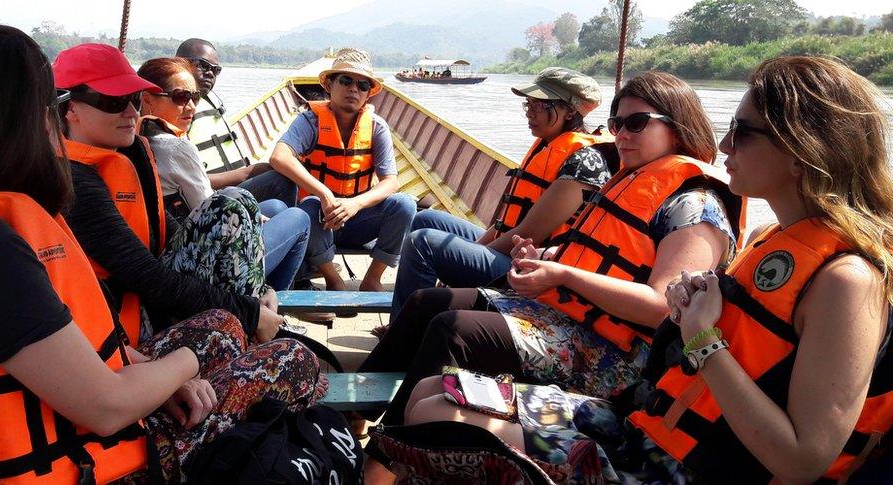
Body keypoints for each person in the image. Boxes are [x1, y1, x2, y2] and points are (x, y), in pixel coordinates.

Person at [398, 56, 893, 484]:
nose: (724, 146)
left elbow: (804, 459)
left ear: (801, 151)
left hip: (681, 467)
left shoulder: (847, 279)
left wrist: (702, 337)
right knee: (432, 393)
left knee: (445, 418)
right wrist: (691, 311)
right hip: (645, 422)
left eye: (742, 132)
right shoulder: (771, 242)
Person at [0, 25, 323, 483]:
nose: (132, 111)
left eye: (135, 101)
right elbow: (107, 407)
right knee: (293, 359)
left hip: (62, 398)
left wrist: (158, 370)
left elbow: (58, 336)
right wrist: (191, 358)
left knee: (226, 325)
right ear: (44, 116)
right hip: (88, 458)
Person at [362, 70, 744, 482]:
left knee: (457, 331)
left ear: (677, 127)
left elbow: (660, 308)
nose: (622, 135)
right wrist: (544, 256)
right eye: (617, 124)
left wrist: (564, 275)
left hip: (618, 356)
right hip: (571, 319)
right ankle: (359, 416)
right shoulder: (630, 178)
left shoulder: (694, 206)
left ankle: (384, 464)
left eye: (637, 123)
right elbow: (602, 254)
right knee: (429, 303)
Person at [53, 43, 286, 344]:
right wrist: (249, 312)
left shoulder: (131, 152)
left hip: (154, 298)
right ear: (71, 107)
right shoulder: (74, 181)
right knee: (226, 207)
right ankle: (255, 330)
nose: (129, 112)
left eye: (134, 99)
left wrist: (261, 291)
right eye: (114, 101)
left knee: (239, 199)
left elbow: (164, 232)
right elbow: (146, 276)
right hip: (130, 323)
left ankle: (255, 323)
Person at [388, 68, 615, 321]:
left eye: (539, 105)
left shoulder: (583, 161)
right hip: (510, 248)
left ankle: (402, 329)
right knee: (426, 220)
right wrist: (472, 251)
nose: (530, 112)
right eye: (528, 103)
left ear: (571, 110)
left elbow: (530, 233)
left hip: (530, 267)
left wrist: (466, 257)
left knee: (424, 242)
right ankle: (414, 319)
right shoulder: (549, 144)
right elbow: (506, 226)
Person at [137, 57, 310, 291]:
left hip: (172, 247)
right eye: (180, 97)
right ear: (147, 98)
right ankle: (267, 305)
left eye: (195, 97)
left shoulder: (135, 138)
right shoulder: (175, 146)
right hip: (201, 265)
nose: (191, 107)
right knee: (299, 218)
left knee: (276, 208)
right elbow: (211, 208)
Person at [269, 48, 417, 291]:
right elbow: (279, 157)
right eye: (346, 80)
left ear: (369, 94)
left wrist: (355, 204)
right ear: (329, 85)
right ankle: (332, 279)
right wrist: (325, 195)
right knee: (308, 206)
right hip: (319, 222)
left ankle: (372, 279)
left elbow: (390, 182)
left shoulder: (377, 128)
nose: (353, 89)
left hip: (359, 221)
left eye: (362, 85)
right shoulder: (310, 122)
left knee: (404, 204)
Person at [176, 38, 297, 205]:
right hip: (210, 198)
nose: (210, 73)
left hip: (234, 188)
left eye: (215, 70)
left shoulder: (209, 100)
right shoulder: (177, 109)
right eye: (202, 65)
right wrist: (247, 173)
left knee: (286, 173)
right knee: (281, 181)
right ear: (179, 64)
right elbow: (187, 182)